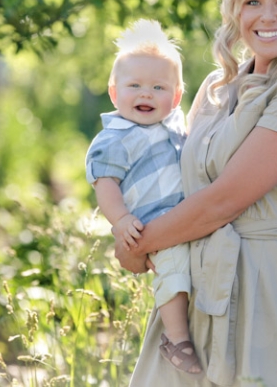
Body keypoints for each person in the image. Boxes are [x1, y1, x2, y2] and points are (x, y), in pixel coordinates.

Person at [115, 0, 277, 386]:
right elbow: (176, 178)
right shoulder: (217, 86)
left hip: (266, 287)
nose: (267, 16)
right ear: (235, 10)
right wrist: (127, 224)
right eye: (253, 1)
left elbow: (222, 201)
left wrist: (138, 245)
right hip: (198, 285)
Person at [85, 19, 202, 374]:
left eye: (158, 87)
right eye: (134, 85)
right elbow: (104, 182)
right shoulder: (115, 138)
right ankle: (178, 339)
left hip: (188, 217)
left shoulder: (177, 125)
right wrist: (121, 221)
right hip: (153, 225)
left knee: (193, 271)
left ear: (177, 96)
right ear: (114, 93)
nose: (146, 94)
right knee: (173, 268)